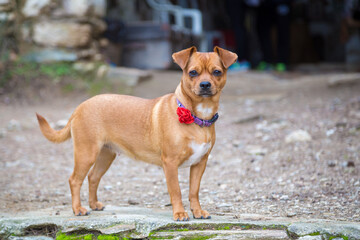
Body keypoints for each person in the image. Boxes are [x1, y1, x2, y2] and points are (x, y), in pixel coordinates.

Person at [256, 0, 291, 72]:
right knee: (262, 30)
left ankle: (282, 61)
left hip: (282, 3)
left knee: (283, 31)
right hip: (265, 4)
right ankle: (267, 60)